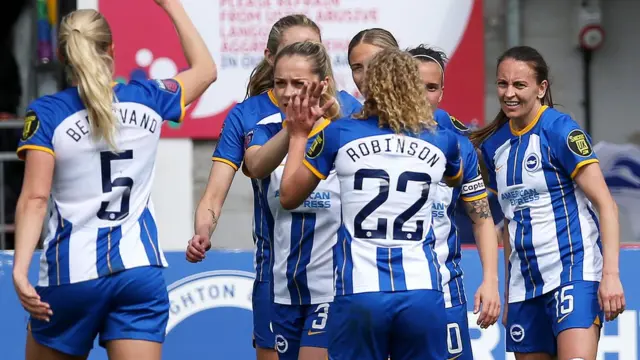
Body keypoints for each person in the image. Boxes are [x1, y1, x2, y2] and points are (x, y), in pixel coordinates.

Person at [11, 0, 216, 359]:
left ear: (63, 55)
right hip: (138, 272)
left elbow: (35, 200)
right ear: (113, 49)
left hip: (70, 275)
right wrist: (171, 6)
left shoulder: (48, 113)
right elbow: (206, 70)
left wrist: (20, 270)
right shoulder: (150, 98)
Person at [184, 14, 360, 360]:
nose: (290, 91)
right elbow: (222, 188)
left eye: (311, 49)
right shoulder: (252, 118)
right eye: (283, 80)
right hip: (274, 274)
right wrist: (203, 230)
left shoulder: (352, 114)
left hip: (337, 275)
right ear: (271, 58)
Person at [278, 48, 463, 360]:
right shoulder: (442, 139)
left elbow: (288, 196)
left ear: (370, 85)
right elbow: (454, 178)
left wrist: (298, 135)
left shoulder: (340, 134)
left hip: (359, 290)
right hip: (422, 290)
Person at [470, 45, 625, 360]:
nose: (509, 93)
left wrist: (611, 275)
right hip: (525, 287)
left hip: (574, 272)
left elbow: (607, 205)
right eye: (503, 84)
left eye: (519, 85)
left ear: (541, 88)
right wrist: (508, 293)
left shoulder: (559, 130)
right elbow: (510, 224)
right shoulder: (494, 147)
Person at [243, 41, 346, 360]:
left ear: (323, 85)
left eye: (298, 84)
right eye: (280, 83)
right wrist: (295, 129)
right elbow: (255, 166)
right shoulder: (265, 130)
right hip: (278, 288)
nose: (288, 93)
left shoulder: (346, 135)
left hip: (332, 286)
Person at [406, 44, 501, 360]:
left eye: (431, 87)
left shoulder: (458, 145)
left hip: (446, 293)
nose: (423, 95)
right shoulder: (372, 139)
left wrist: (490, 280)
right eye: (416, 86)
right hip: (390, 293)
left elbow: (482, 218)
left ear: (442, 92)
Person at [348, 28, 399, 97]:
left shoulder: (417, 106)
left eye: (374, 65)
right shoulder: (345, 106)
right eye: (357, 68)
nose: (365, 76)